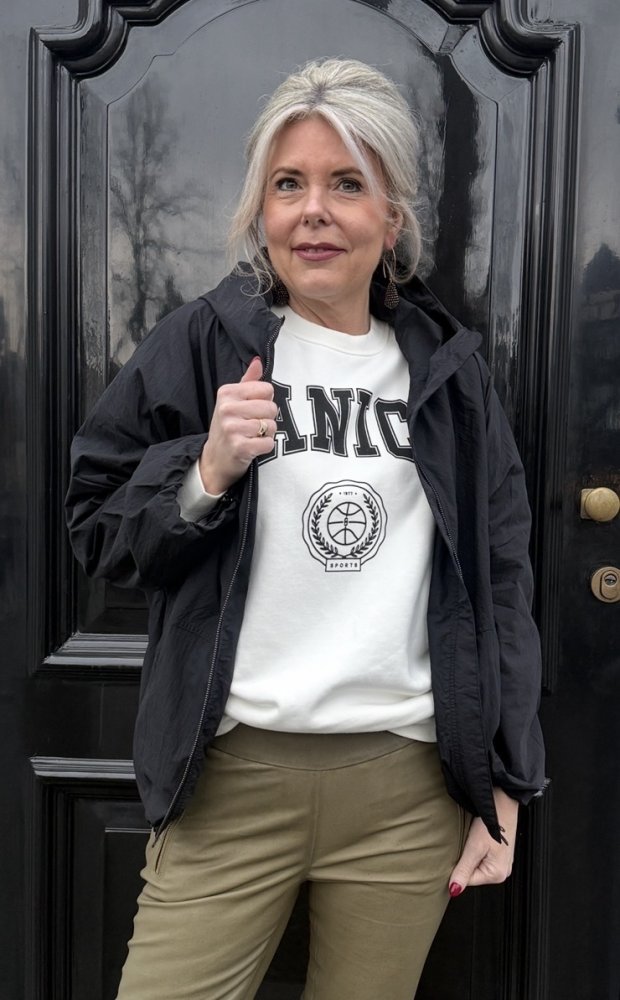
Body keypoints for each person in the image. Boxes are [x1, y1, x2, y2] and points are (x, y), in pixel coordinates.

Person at [66, 58, 546, 1000]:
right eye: (289, 185)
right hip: (230, 781)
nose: (313, 211)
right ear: (261, 210)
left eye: (347, 184)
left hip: (404, 794)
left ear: (391, 218)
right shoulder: (203, 343)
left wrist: (507, 778)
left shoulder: (450, 376)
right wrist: (204, 472)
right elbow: (95, 522)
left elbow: (500, 579)